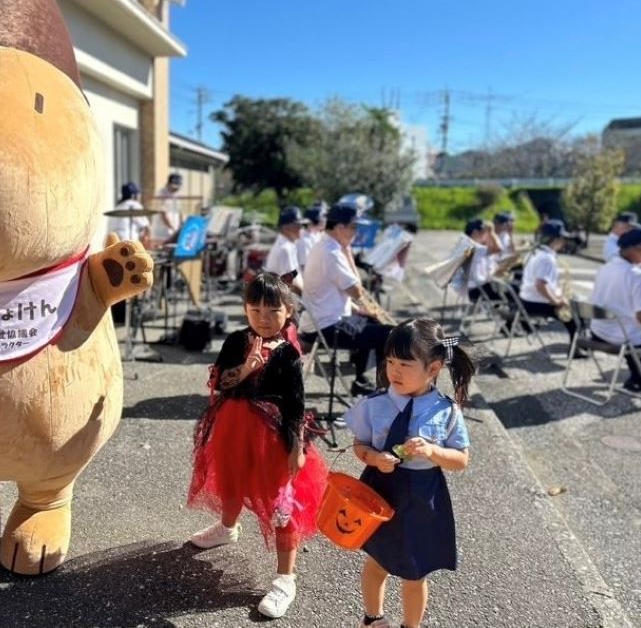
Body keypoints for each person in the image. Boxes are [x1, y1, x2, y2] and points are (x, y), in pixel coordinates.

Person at [187, 272, 328, 619]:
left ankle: (285, 579)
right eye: (255, 310)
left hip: (272, 436)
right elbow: (220, 381)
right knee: (231, 478)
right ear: (245, 310)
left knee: (281, 505)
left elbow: (296, 403)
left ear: (289, 311)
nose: (264, 319)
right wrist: (246, 368)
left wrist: (296, 447)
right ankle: (227, 527)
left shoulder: (289, 355)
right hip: (232, 427)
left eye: (272, 311)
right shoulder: (236, 340)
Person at [343, 318, 473, 628]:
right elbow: (358, 446)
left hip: (422, 498)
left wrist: (434, 452)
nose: (394, 371)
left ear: (433, 368)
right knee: (377, 563)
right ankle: (372, 618)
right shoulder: (374, 405)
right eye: (389, 361)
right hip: (382, 492)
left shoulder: (446, 410)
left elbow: (461, 460)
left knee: (416, 573)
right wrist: (374, 458)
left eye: (405, 363)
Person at [298, 203, 393, 396]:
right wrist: (348, 252)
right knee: (388, 334)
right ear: (340, 227)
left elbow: (330, 293)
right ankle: (385, 393)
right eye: (354, 227)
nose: (356, 233)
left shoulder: (323, 245)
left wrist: (359, 311)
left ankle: (360, 380)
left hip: (321, 320)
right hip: (327, 327)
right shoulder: (332, 253)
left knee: (370, 321)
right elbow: (357, 291)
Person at [590, 224, 641, 395]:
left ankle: (638, 379)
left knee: (634, 329)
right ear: (637, 248)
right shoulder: (638, 276)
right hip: (619, 337)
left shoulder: (605, 268)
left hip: (597, 332)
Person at [518, 219, 582, 354]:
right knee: (576, 315)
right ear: (556, 239)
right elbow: (540, 285)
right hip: (536, 302)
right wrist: (557, 301)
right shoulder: (547, 258)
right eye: (562, 238)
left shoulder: (534, 252)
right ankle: (576, 350)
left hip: (526, 300)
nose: (564, 242)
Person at [265, 206, 307, 294]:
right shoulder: (284, 249)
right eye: (298, 226)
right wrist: (307, 297)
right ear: (286, 228)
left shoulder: (289, 245)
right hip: (281, 298)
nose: (301, 229)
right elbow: (290, 281)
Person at [462, 218, 503, 304]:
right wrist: (492, 232)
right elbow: (498, 249)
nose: (486, 235)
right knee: (508, 292)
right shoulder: (475, 248)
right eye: (484, 232)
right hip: (477, 290)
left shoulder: (465, 243)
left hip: (469, 287)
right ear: (475, 233)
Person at [151, 173, 183, 243]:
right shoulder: (161, 194)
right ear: (168, 184)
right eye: (174, 187)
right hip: (162, 233)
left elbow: (180, 212)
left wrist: (180, 227)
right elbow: (163, 215)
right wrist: (173, 228)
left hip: (173, 232)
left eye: (178, 187)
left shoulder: (177, 195)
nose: (176, 189)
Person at [296, 202, 327, 269]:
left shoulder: (316, 234)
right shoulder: (303, 239)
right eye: (322, 218)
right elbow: (304, 266)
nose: (324, 220)